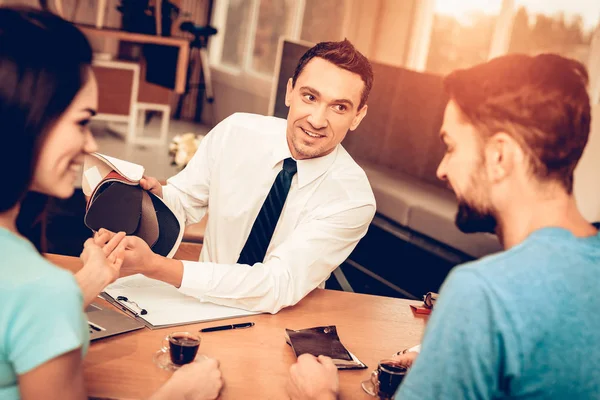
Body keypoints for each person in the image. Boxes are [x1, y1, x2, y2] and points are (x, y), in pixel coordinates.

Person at [286, 53, 600, 399]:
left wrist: (318, 395)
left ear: (499, 156)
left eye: (450, 147)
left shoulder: (483, 295)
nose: (442, 169)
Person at [0, 7, 222, 399]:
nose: (91, 144)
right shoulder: (40, 289)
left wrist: (88, 281)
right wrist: (180, 394)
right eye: (82, 121)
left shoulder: (34, 285)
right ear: (28, 118)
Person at [102, 39, 376, 313]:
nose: (317, 119)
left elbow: (277, 284)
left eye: (339, 107)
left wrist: (158, 267)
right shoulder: (236, 131)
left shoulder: (352, 199)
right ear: (290, 92)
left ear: (358, 117)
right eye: (310, 97)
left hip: (278, 320)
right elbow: (184, 201)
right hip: (196, 302)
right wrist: (153, 198)